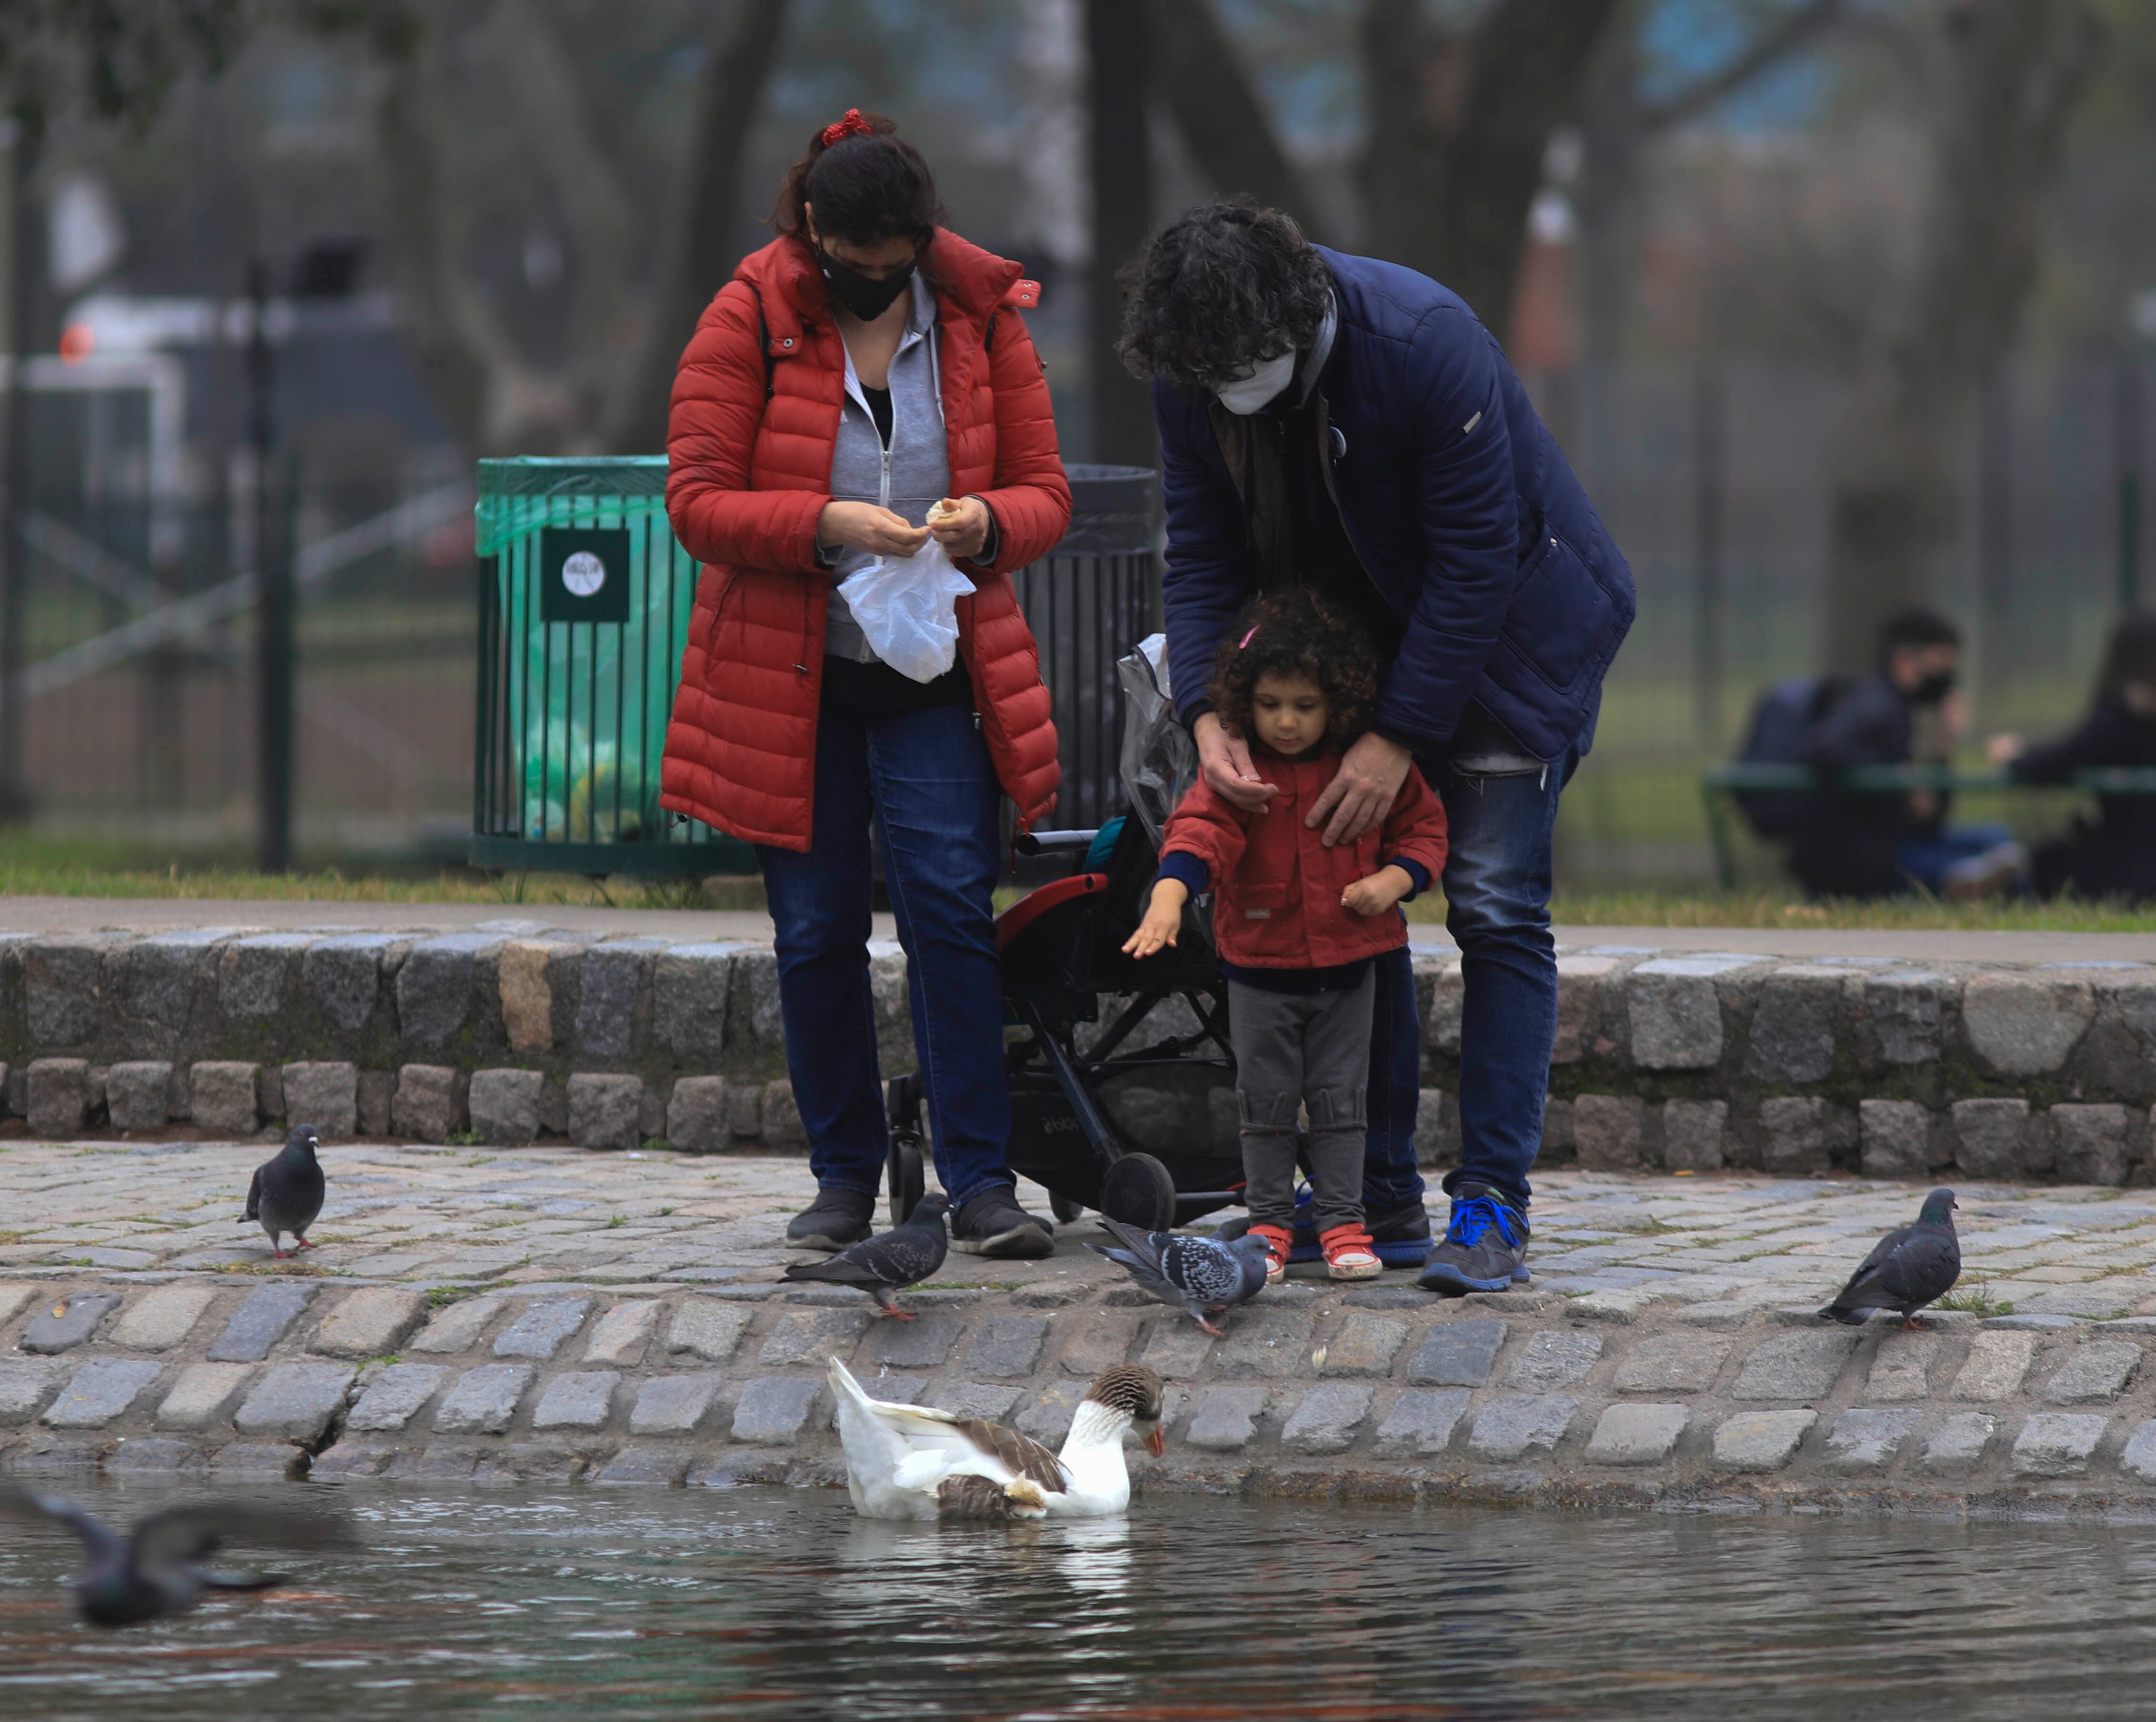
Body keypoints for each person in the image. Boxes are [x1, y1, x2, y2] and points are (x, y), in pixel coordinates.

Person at [1116, 199, 1635, 1296]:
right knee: (1353, 898)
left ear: (1297, 324)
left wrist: (1399, 736)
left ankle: (1491, 1199)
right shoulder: (1191, 376)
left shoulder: (1422, 343)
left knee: (1493, 902)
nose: (1221, 389)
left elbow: (1475, 558)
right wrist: (1207, 714)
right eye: (1201, 374)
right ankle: (1380, 1198)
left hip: (1507, 647)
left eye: (1239, 367)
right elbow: (1204, 546)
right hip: (1347, 654)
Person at [659, 110, 1070, 1258]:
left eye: (897, 272)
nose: (876, 290)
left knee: (950, 913)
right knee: (816, 930)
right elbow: (695, 498)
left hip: (937, 671)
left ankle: (982, 1181)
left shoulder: (984, 322)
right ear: (813, 235)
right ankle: (844, 1173)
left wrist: (987, 520)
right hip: (791, 684)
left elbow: (1047, 490)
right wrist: (821, 522)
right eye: (855, 270)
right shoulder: (748, 318)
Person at [1122, 593, 1450, 1283]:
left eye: (1305, 705)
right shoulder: (1241, 773)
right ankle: (1270, 1222)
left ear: (1337, 702)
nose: (1287, 721)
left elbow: (1423, 829)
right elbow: (1199, 831)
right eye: (1271, 704)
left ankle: (1343, 1221)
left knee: (1340, 1101)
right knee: (1264, 1103)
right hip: (1260, 968)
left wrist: (1394, 879)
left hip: (1348, 963)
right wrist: (1171, 893)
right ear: (1246, 702)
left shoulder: (1367, 768)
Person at [1787, 608, 2026, 900]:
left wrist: (1943, 747)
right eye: (1941, 665)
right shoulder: (1875, 705)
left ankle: (1959, 878)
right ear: (1905, 661)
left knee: (1999, 840)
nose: (1948, 678)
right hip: (1866, 856)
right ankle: (1952, 880)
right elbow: (1823, 751)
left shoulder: (1898, 710)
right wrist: (1899, 782)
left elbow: (1931, 820)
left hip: (1894, 841)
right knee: (2004, 865)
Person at [1989, 610, 2156, 901]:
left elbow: (2057, 760)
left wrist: (2015, 755)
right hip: (2128, 851)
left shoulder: (2121, 717)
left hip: (2130, 869)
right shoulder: (2125, 717)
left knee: (2046, 862)